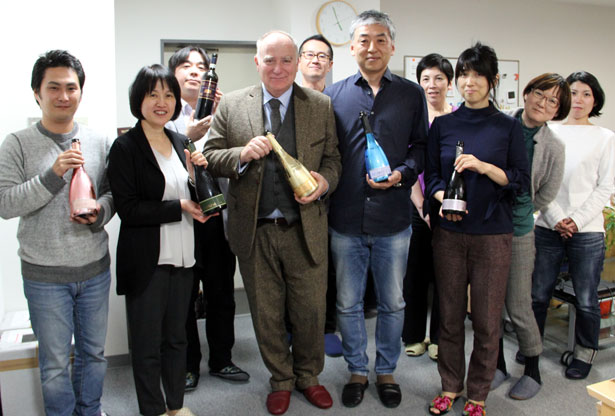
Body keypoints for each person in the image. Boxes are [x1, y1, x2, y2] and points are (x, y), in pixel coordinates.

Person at [203, 30, 341, 415]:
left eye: (285, 60)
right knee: (266, 313)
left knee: (310, 311)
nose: (278, 68)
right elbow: (210, 155)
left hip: (305, 228)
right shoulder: (232, 105)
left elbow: (333, 159)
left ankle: (309, 376)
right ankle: (280, 379)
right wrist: (241, 154)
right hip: (255, 230)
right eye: (269, 60)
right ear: (257, 62)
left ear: (296, 63)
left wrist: (325, 183)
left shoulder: (320, 105)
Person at [0, 50, 114, 416]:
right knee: (53, 364)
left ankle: (90, 410)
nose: (63, 96)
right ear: (37, 93)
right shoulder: (17, 143)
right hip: (44, 276)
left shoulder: (99, 140)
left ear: (80, 91)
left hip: (94, 270)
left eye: (71, 87)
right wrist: (52, 175)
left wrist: (99, 213)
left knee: (94, 355)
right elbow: (5, 204)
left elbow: (112, 194)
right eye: (53, 88)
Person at [324, 10, 428, 409]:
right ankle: (356, 370)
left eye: (380, 39)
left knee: (393, 303)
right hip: (345, 218)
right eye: (364, 40)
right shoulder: (333, 96)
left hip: (393, 219)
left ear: (392, 47)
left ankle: (386, 371)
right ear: (351, 47)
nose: (372, 47)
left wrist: (402, 174)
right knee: (347, 304)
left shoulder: (410, 94)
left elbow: (421, 148)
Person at [425, 42, 529, 416]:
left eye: (477, 75)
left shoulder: (508, 127)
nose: (469, 82)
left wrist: (482, 167)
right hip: (450, 234)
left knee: (486, 320)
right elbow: (432, 177)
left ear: (493, 80)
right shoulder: (444, 125)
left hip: (492, 234)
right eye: (464, 75)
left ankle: (478, 393)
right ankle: (450, 386)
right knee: (449, 316)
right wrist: (445, 199)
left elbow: (520, 181)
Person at [108, 64, 214, 416]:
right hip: (148, 261)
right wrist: (179, 206)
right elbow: (129, 210)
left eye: (168, 95)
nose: (161, 102)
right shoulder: (125, 147)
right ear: (138, 100)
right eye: (152, 94)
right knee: (147, 344)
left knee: (177, 338)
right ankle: (153, 410)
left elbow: (195, 195)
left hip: (183, 256)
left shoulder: (181, 141)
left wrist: (198, 176)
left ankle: (176, 407)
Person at [166, 46, 249, 390]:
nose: (194, 72)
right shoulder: (164, 115)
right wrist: (188, 136)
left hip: (218, 216)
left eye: (201, 67)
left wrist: (224, 121)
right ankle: (188, 365)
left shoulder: (224, 114)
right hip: (182, 218)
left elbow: (240, 161)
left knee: (221, 293)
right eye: (186, 66)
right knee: (183, 297)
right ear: (173, 74)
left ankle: (222, 360)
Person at [490, 73, 570, 400]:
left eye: (553, 101)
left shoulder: (554, 146)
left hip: (520, 228)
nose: (543, 103)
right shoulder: (497, 124)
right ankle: (496, 365)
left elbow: (546, 193)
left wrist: (522, 210)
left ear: (557, 111)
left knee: (519, 304)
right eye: (540, 94)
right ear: (527, 93)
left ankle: (533, 370)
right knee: (489, 304)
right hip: (487, 225)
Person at [531, 71, 615, 381]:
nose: (578, 100)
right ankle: (531, 346)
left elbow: (605, 187)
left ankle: (583, 353)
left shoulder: (605, 138)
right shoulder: (548, 130)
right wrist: (556, 217)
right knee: (538, 294)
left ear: (595, 101)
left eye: (586, 94)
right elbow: (538, 180)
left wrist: (576, 221)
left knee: (586, 298)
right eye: (573, 93)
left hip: (588, 231)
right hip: (547, 225)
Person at [403, 53, 456, 361]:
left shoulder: (459, 118)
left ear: (449, 83)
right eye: (425, 79)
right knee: (415, 275)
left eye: (439, 78)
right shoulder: (413, 118)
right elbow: (408, 164)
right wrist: (421, 205)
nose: (432, 84)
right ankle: (412, 335)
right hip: (416, 204)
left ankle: (439, 338)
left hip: (450, 205)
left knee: (446, 278)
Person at [296, 34, 342, 358]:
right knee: (295, 265)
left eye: (322, 56)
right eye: (309, 54)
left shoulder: (338, 101)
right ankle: (293, 327)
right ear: (299, 61)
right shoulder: (286, 100)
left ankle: (327, 328)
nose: (315, 60)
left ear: (330, 64)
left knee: (329, 266)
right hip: (295, 200)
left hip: (331, 195)